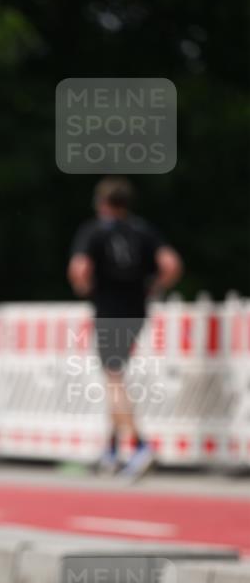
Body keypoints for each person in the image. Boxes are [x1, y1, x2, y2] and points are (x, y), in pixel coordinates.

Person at [67, 177, 182, 481]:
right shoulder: (143, 229)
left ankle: (140, 445)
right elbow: (170, 264)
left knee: (114, 379)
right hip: (136, 310)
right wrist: (155, 286)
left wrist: (84, 287)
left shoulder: (94, 230)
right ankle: (112, 451)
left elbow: (79, 269)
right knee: (117, 376)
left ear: (102, 203)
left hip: (109, 310)